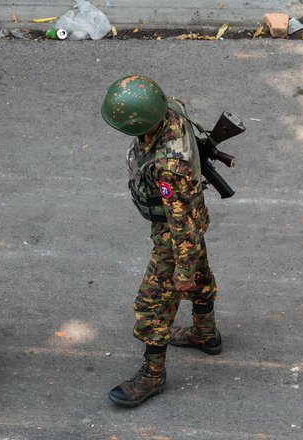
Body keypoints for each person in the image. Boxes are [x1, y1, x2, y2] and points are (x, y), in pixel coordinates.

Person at [101, 75, 223, 407]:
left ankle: (152, 375)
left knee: (152, 305)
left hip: (175, 231)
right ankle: (205, 333)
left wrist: (181, 271)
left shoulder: (171, 167)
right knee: (199, 270)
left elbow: (182, 229)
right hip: (191, 214)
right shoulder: (169, 107)